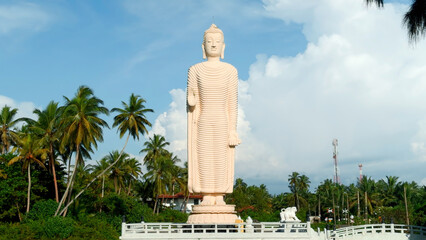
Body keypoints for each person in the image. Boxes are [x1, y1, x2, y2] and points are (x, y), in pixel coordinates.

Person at [187, 24, 240, 206]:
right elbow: (192, 99)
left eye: (217, 42)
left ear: (223, 46)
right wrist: (191, 100)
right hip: (203, 121)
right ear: (203, 47)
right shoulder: (194, 70)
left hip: (222, 121)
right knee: (204, 157)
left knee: (221, 158)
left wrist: (233, 130)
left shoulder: (230, 71)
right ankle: (207, 194)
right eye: (209, 41)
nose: (214, 45)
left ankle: (220, 194)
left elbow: (232, 104)